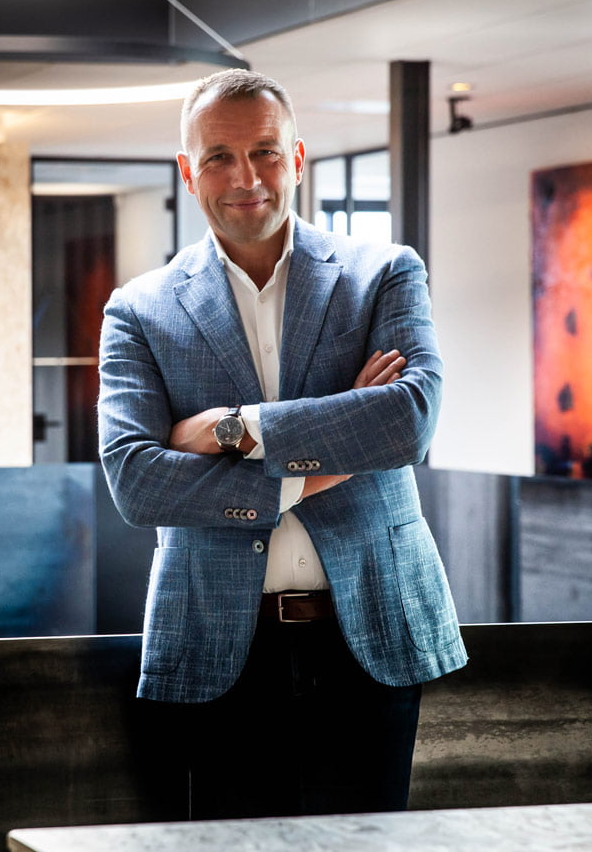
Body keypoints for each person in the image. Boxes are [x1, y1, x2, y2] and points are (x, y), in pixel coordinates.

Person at [98, 68, 467, 820]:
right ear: (188, 171)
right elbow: (136, 482)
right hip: (216, 642)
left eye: (265, 152)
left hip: (373, 632)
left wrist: (233, 429)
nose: (246, 178)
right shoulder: (138, 310)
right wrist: (331, 449)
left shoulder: (383, 273)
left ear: (296, 159)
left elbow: (408, 423)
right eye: (219, 157)